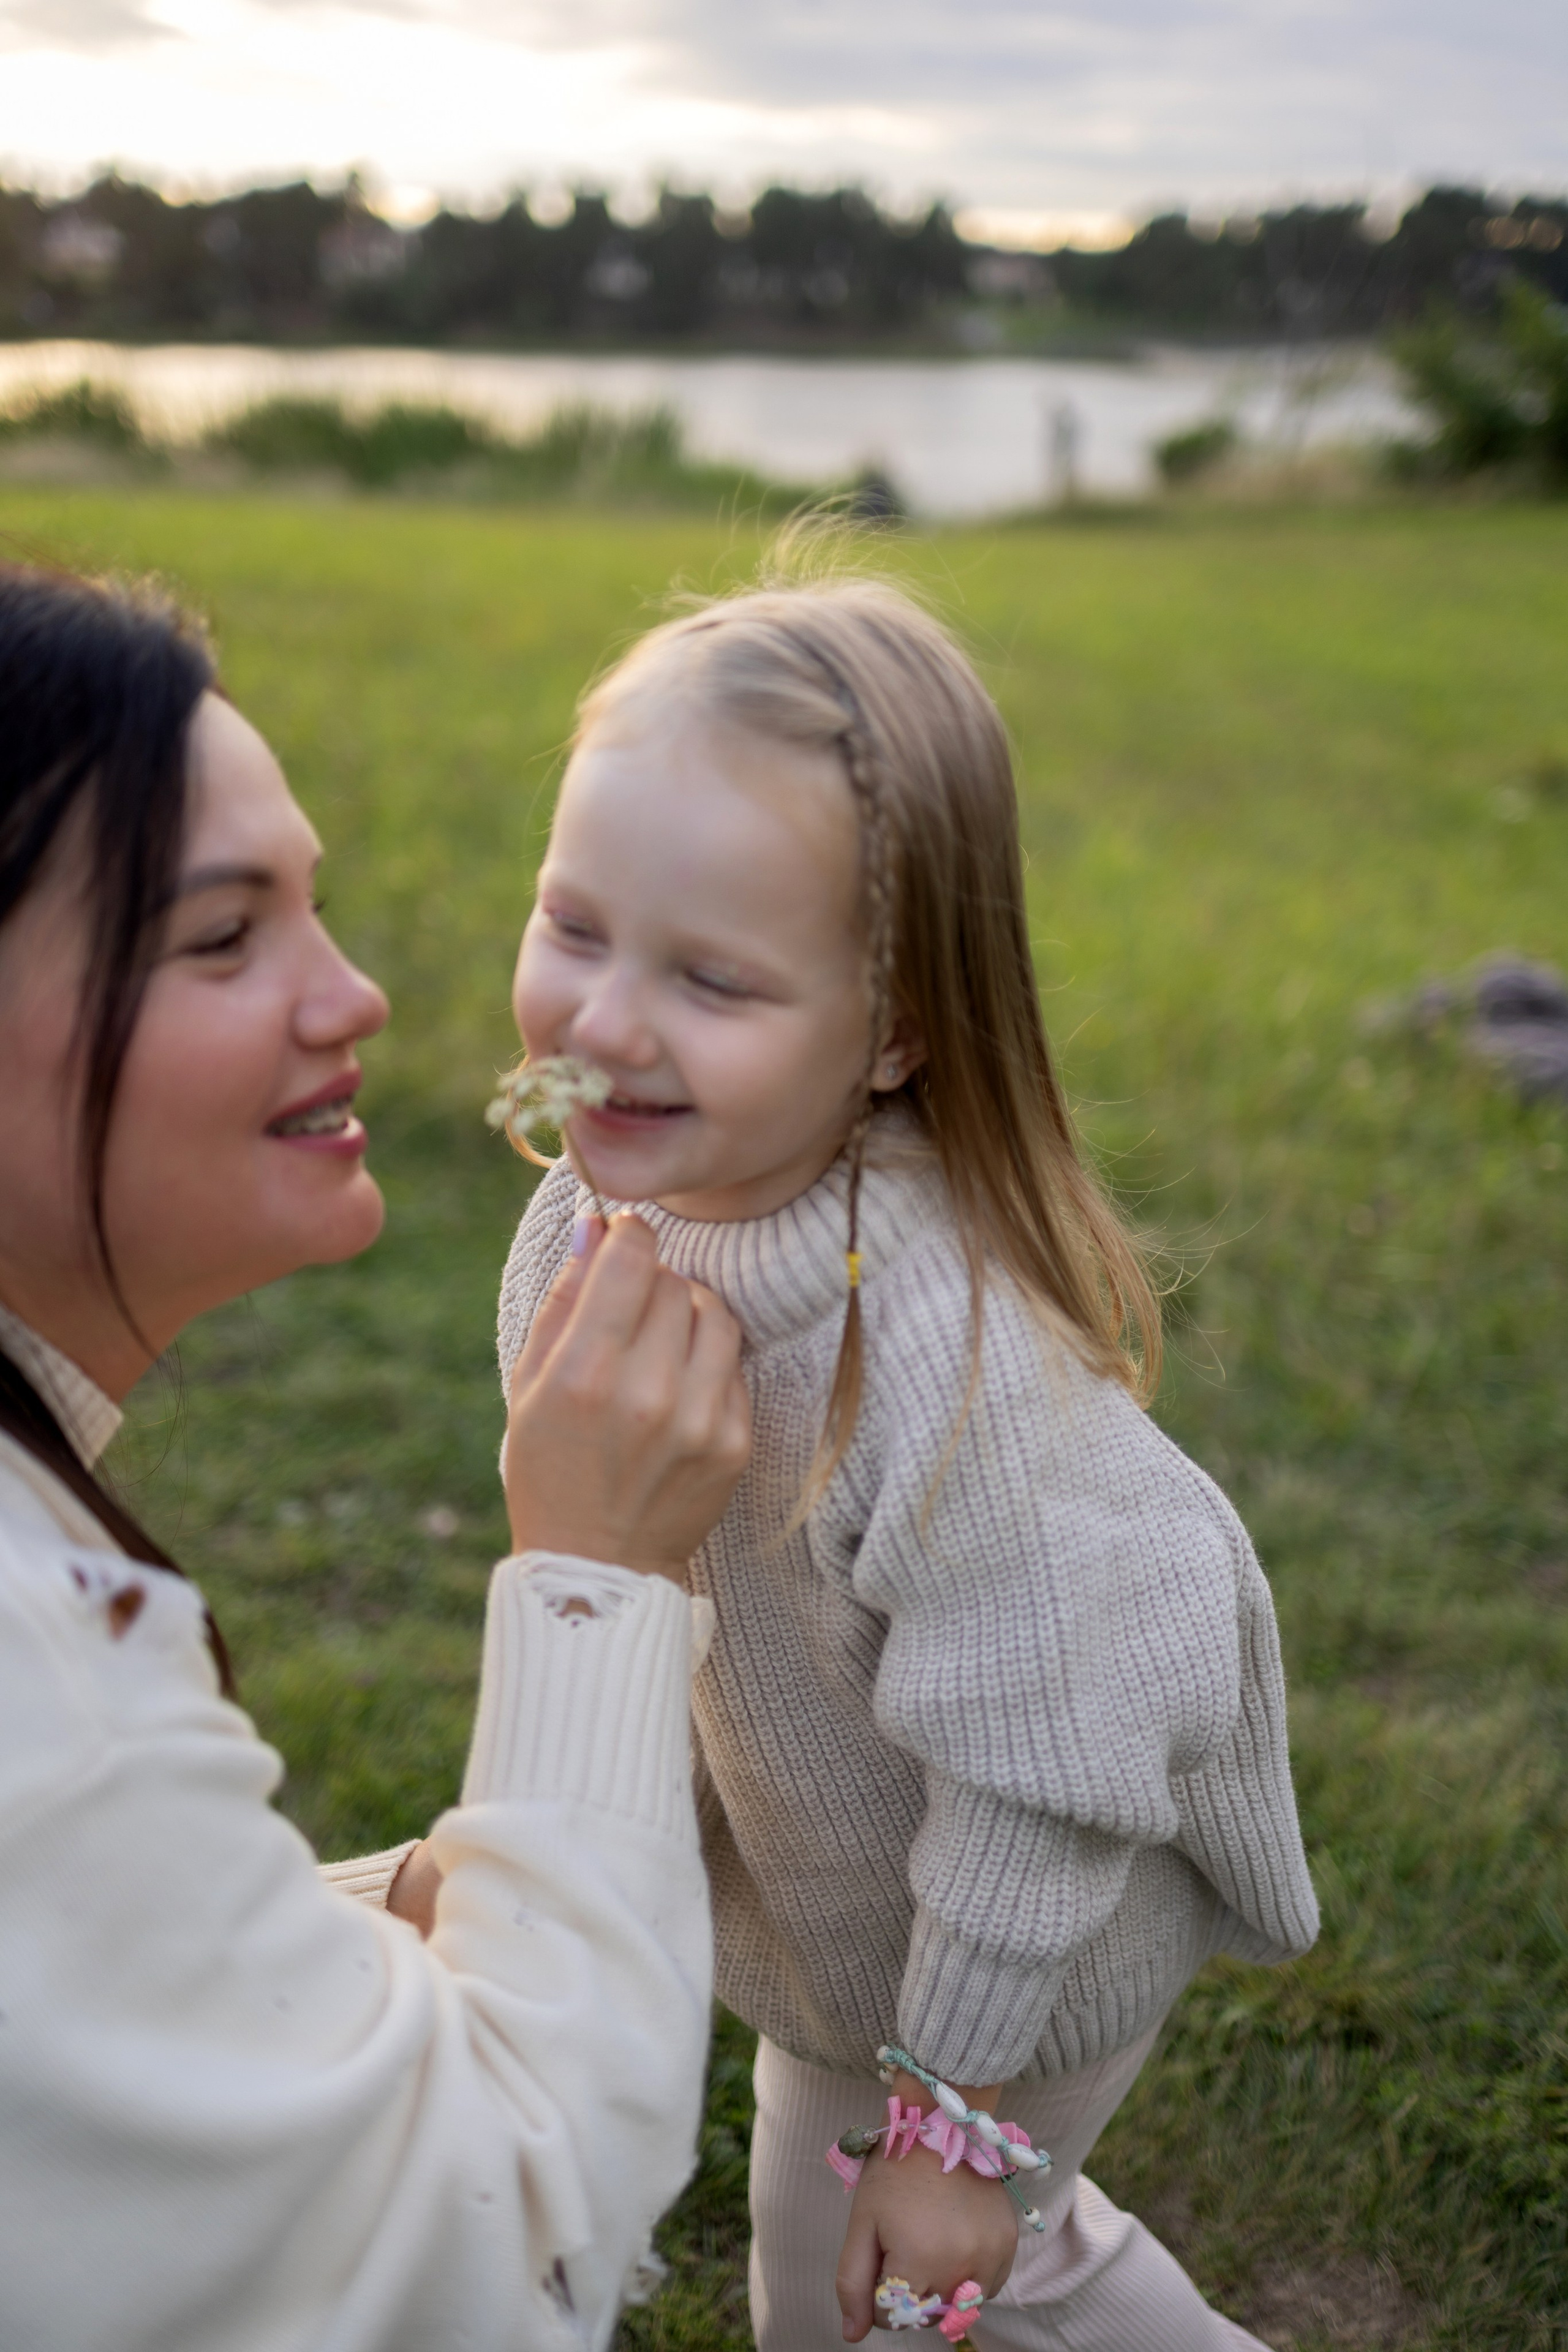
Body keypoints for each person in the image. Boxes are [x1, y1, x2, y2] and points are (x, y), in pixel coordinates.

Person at [496, 573, 1320, 2350]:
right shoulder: (591, 1221)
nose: (607, 1023)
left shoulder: (949, 1370)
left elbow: (1051, 1762)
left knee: (863, 2292)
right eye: (576, 924)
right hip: (851, 1898)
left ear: (893, 1031)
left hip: (1021, 1932)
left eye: (711, 978)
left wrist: (952, 2113)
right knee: (965, 2279)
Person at [0, 562, 751, 2352]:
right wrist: (599, 1582)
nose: (357, 998)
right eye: (220, 938)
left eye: (313, 910)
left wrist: (395, 1906)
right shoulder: (43, 1677)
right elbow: (509, 2251)